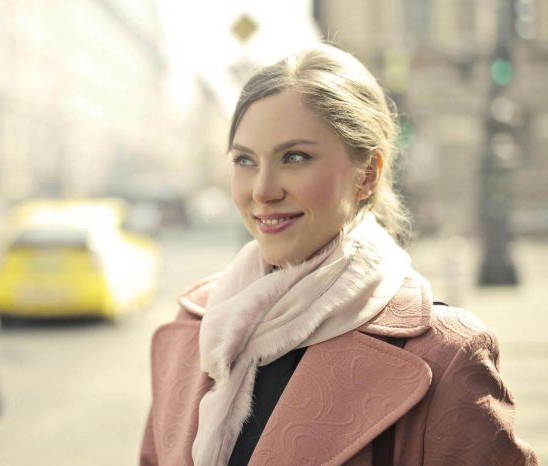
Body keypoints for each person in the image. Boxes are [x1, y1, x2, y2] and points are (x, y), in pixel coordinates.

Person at [139, 43, 537, 466]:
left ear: (367, 175)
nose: (262, 190)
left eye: (295, 157)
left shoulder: (444, 354)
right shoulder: (195, 326)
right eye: (245, 160)